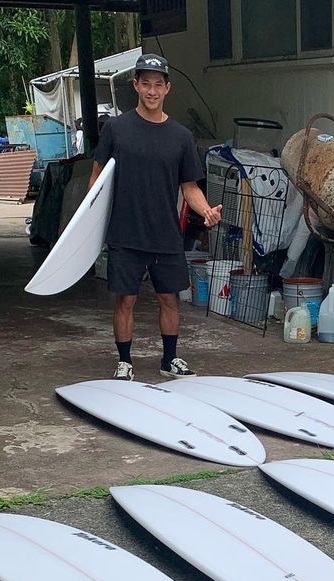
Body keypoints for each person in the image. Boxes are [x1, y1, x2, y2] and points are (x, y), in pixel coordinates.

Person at [88, 54, 222, 380]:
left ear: (167, 89)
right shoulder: (116, 129)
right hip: (125, 232)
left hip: (165, 233)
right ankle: (124, 362)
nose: (151, 90)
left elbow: (189, 186)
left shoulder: (181, 136)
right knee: (125, 300)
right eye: (145, 83)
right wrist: (90, 222)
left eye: (158, 84)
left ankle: (169, 360)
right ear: (135, 85)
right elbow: (96, 178)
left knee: (169, 299)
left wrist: (206, 210)